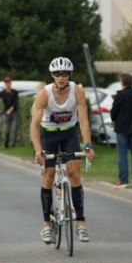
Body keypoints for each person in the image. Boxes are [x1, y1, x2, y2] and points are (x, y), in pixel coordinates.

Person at [31, 57, 96, 244]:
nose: (61, 77)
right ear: (52, 75)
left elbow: (83, 121)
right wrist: (38, 151)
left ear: (70, 75)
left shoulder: (78, 91)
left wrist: (88, 145)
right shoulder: (44, 94)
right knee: (49, 174)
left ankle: (81, 223)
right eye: (57, 74)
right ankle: (46, 225)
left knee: (74, 173)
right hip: (48, 134)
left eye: (65, 74)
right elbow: (34, 126)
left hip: (69, 134)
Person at [110, 73, 132, 188]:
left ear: (122, 83)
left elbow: (113, 112)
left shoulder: (120, 96)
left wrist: (114, 119)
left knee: (122, 155)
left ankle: (124, 180)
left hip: (121, 129)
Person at [0, 76, 20, 148]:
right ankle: (6, 143)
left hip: (14, 113)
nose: (7, 84)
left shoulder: (15, 92)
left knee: (13, 129)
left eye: (9, 82)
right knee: (6, 129)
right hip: (6, 113)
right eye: (6, 82)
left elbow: (16, 102)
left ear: (11, 83)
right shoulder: (2, 93)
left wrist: (11, 109)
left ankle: (13, 144)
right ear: (4, 84)